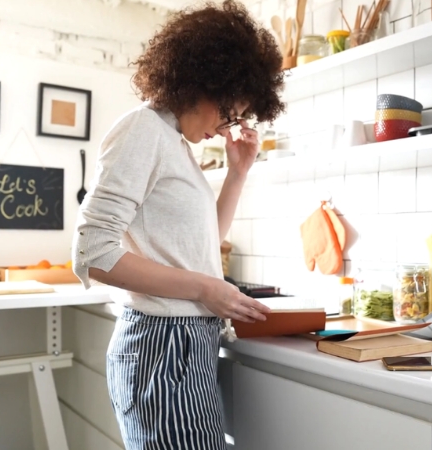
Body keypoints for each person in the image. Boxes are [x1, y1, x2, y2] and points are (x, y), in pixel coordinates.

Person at [70, 1, 285, 448]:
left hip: (184, 346)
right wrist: (207, 290)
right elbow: (93, 252)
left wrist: (238, 173)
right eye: (229, 111)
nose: (228, 126)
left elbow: (199, 250)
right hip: (163, 347)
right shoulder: (143, 130)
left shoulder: (173, 143)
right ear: (203, 81)